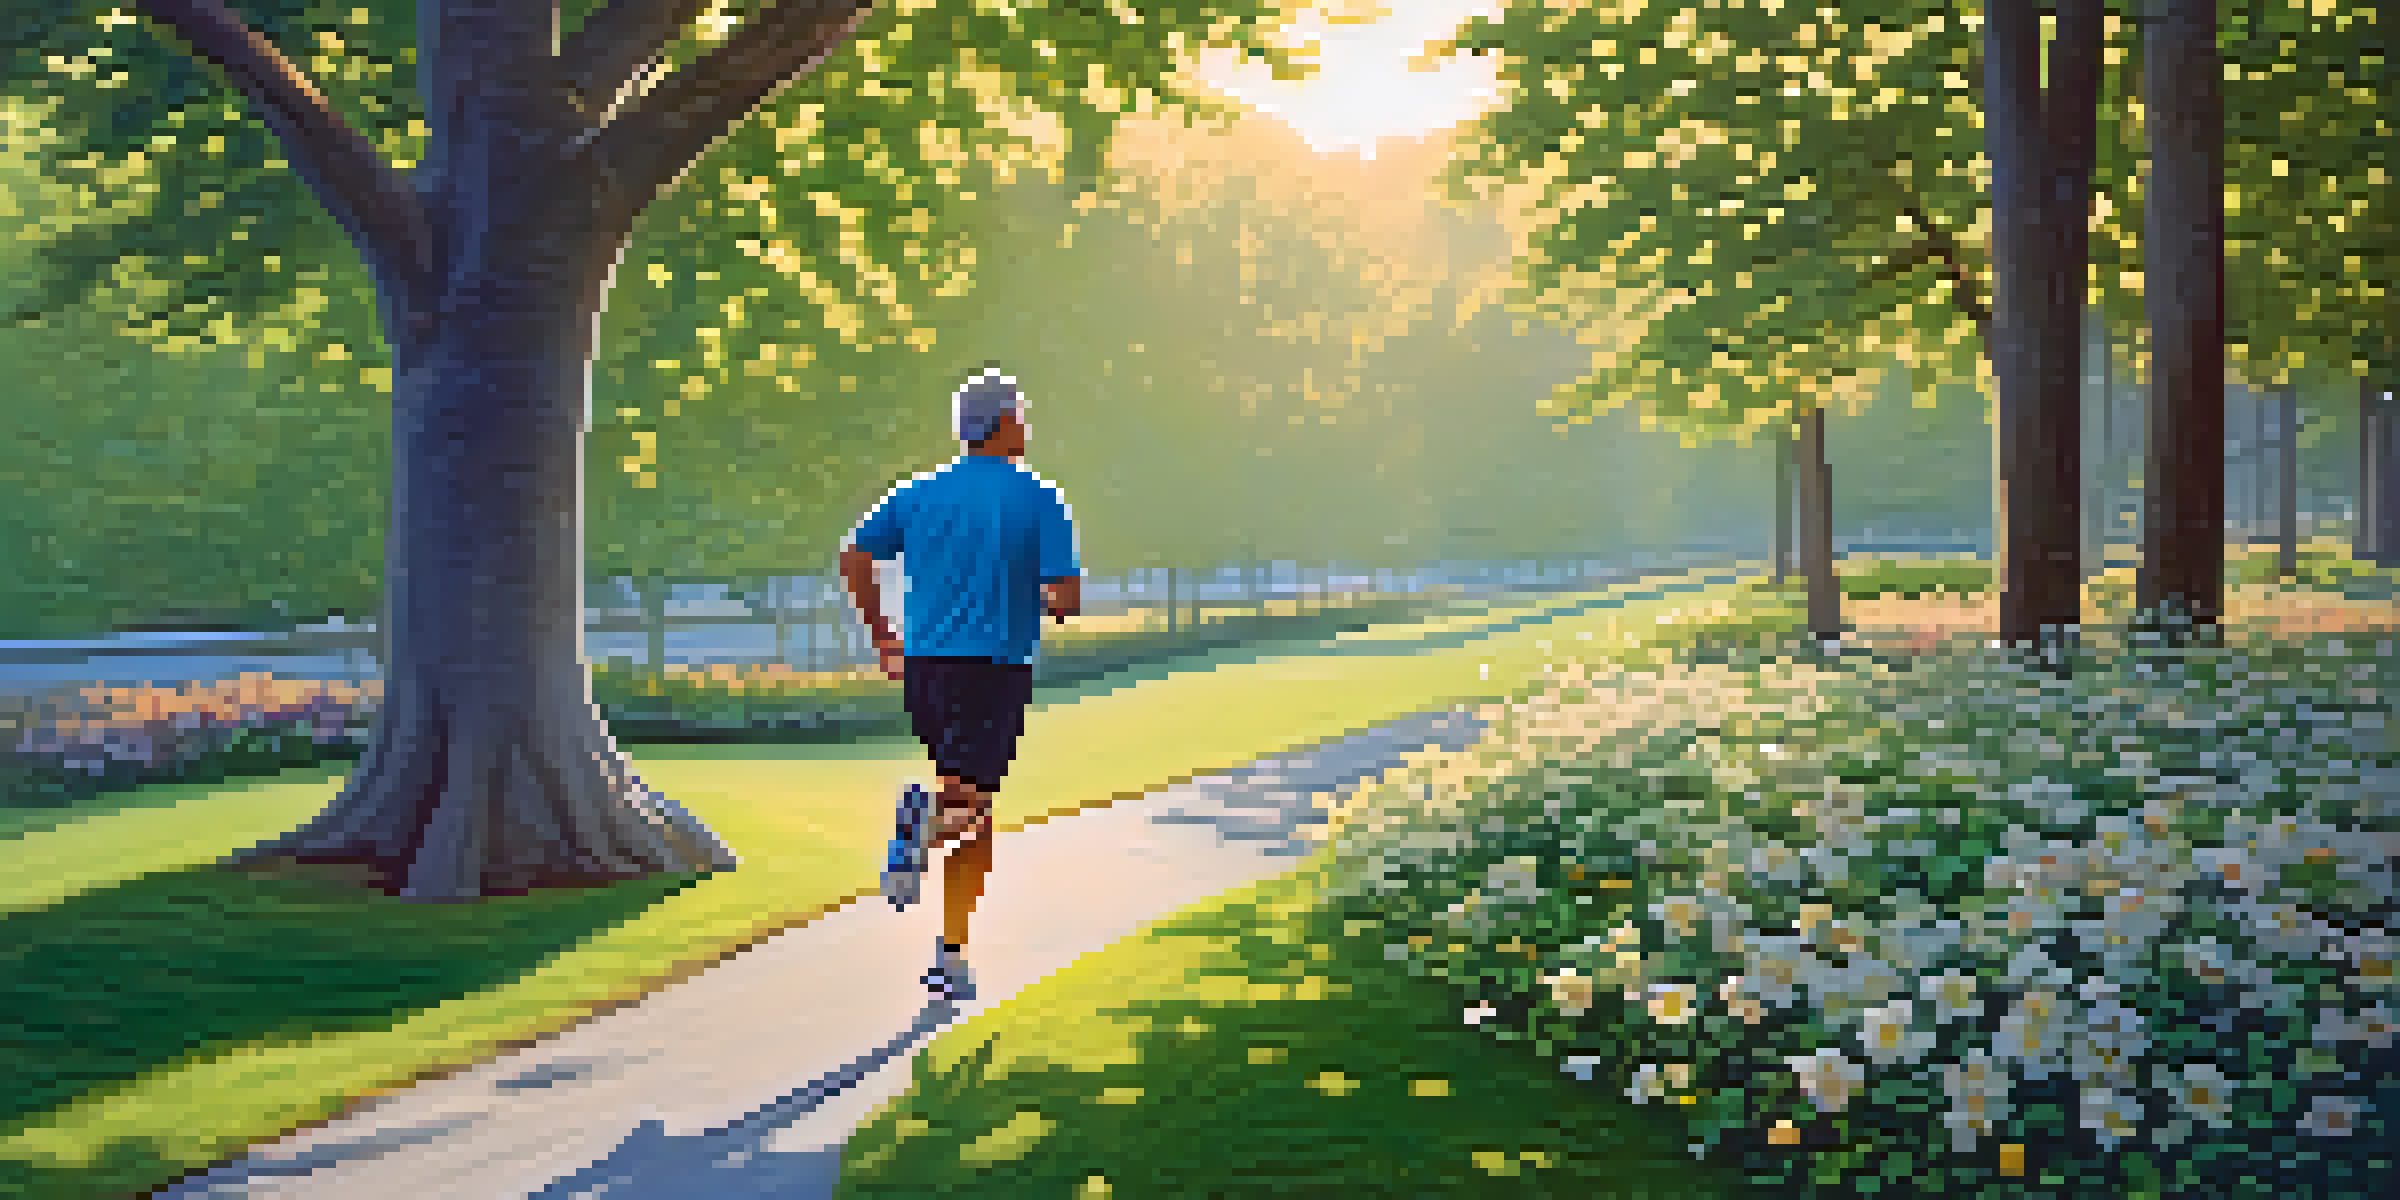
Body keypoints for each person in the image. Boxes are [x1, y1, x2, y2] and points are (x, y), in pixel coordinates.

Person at [838, 364, 1082, 1003]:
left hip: (926, 668)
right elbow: (1066, 595)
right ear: (1003, 425)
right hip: (994, 667)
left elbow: (854, 555)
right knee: (964, 805)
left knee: (975, 811)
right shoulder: (1037, 495)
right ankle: (914, 827)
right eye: (1020, 417)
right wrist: (1053, 599)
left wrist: (882, 636)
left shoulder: (917, 492)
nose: (1025, 428)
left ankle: (952, 954)